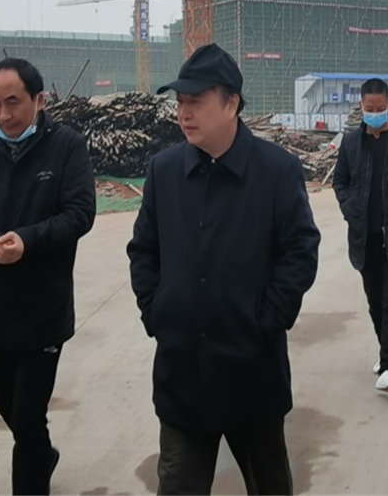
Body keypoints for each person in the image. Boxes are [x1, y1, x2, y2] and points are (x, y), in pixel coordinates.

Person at [127, 43, 321, 496]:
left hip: (252, 372)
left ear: (232, 103)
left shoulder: (277, 171)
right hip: (181, 374)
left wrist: (266, 320)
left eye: (195, 101)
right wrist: (157, 312)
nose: (184, 113)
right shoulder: (164, 171)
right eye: (180, 102)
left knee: (269, 486)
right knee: (178, 486)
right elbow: (144, 250)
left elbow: (300, 250)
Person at [0, 58, 96, 495]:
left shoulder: (65, 147)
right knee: (10, 408)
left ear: (39, 100)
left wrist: (27, 241)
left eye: (13, 102)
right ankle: (43, 456)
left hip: (44, 308)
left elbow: (80, 213)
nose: (4, 114)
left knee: (28, 417)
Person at [333, 78, 388, 393]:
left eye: (380, 108)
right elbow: (340, 181)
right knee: (376, 303)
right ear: (361, 106)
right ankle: (386, 350)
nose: (374, 113)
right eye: (369, 109)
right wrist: (350, 209)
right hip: (365, 239)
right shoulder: (351, 143)